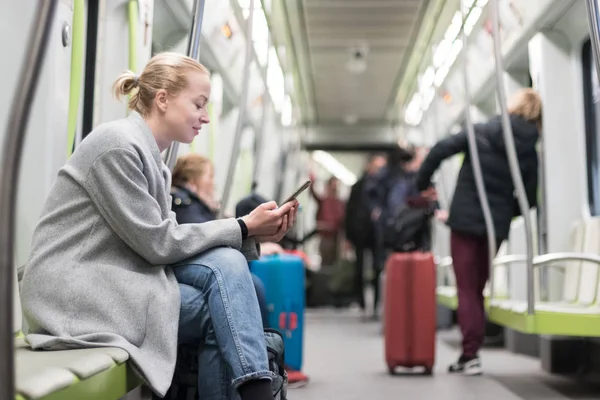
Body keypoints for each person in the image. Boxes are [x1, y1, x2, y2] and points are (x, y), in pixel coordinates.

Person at [20, 52, 298, 400]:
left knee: (228, 264)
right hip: (73, 296)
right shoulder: (116, 146)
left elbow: (165, 245)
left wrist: (250, 232)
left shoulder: (153, 159)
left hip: (115, 281)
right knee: (219, 306)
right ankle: (256, 390)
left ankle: (254, 390)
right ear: (163, 99)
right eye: (198, 104)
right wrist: (243, 226)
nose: (206, 117)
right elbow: (159, 244)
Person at [416, 88, 541, 376]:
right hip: (494, 227)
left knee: (467, 288)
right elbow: (529, 199)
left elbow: (439, 150)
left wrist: (423, 183)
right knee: (478, 287)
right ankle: (470, 351)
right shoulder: (529, 147)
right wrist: (502, 214)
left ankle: (470, 353)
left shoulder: (481, 131)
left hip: (464, 221)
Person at [345, 153, 387, 319]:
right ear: (369, 166)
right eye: (377, 167)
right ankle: (361, 302)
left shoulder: (384, 186)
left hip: (378, 234)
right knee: (359, 269)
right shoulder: (358, 187)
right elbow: (349, 212)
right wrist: (348, 236)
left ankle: (377, 305)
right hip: (360, 233)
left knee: (378, 268)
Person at [308, 175, 345, 266]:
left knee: (334, 262)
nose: (335, 188)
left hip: (336, 236)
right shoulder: (324, 200)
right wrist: (312, 181)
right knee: (325, 261)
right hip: (325, 236)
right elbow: (313, 193)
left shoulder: (340, 203)